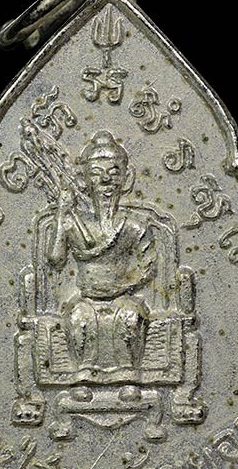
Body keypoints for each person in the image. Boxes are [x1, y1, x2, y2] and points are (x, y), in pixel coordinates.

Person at [47, 130, 156, 370]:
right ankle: (84, 374)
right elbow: (55, 260)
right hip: (86, 301)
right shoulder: (73, 222)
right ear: (84, 180)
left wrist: (122, 287)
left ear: (127, 179)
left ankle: (128, 374)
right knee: (79, 319)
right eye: (96, 173)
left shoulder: (134, 226)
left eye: (113, 173)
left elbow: (148, 268)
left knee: (131, 318)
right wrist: (61, 216)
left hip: (123, 300)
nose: (105, 180)